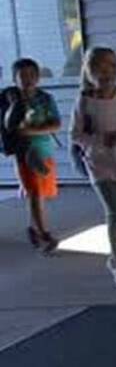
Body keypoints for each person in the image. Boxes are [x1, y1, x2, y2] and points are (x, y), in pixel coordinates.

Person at [70, 47, 116, 286]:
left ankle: (114, 257)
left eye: (112, 65)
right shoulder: (85, 100)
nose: (107, 71)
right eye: (100, 67)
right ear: (89, 71)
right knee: (114, 212)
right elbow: (76, 134)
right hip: (99, 162)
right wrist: (102, 140)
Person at [3, 59, 61, 254]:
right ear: (14, 79)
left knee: (43, 194)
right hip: (24, 153)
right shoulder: (9, 99)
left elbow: (56, 125)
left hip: (44, 149)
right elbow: (8, 128)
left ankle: (33, 228)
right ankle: (45, 233)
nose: (27, 80)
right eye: (22, 76)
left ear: (37, 78)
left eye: (31, 75)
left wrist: (32, 131)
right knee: (35, 193)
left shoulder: (45, 99)